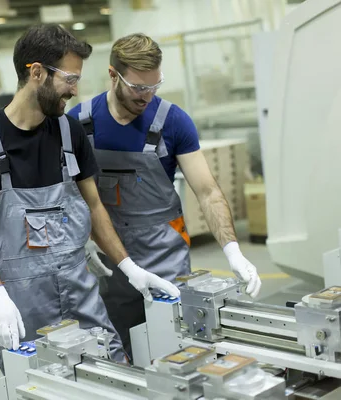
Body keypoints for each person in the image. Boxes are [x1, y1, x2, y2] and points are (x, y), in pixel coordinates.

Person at [0, 25, 180, 373]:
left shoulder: (69, 132)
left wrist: (130, 267)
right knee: (38, 386)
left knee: (112, 373)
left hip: (82, 295)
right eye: (70, 79)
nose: (75, 91)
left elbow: (94, 207)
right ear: (37, 72)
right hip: (23, 304)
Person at [68, 33, 262, 360]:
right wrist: (83, 241)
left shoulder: (173, 122)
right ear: (113, 76)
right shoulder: (79, 123)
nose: (147, 96)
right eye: (138, 88)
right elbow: (69, 192)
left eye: (154, 86)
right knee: (117, 347)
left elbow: (208, 191)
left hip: (164, 254)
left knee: (176, 346)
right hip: (109, 257)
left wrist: (232, 250)